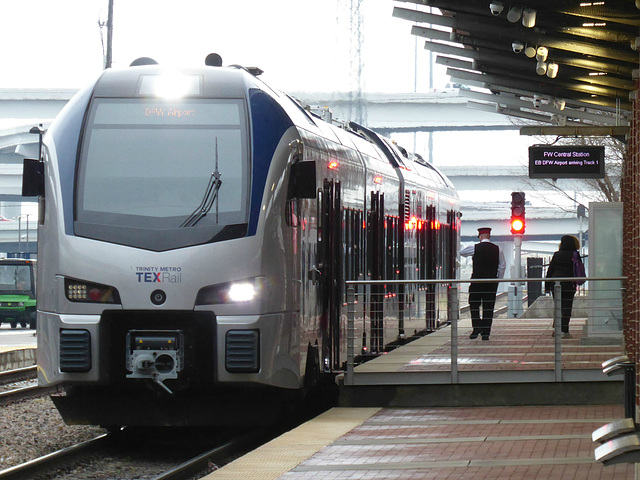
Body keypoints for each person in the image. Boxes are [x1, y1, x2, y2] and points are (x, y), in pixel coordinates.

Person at [460, 227, 506, 340]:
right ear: (489, 236)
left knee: (474, 304)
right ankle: (486, 334)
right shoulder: (498, 249)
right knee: (488, 307)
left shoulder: (475, 248)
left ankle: (477, 327)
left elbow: (462, 252)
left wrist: (476, 249)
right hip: (491, 282)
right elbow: (502, 266)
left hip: (477, 281)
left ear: (480, 237)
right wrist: (497, 280)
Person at [545, 235, 582, 338]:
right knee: (567, 307)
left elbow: (550, 270)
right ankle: (564, 330)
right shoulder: (575, 254)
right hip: (569, 284)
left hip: (556, 284)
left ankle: (556, 330)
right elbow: (579, 268)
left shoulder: (557, 255)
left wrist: (547, 285)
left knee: (558, 307)